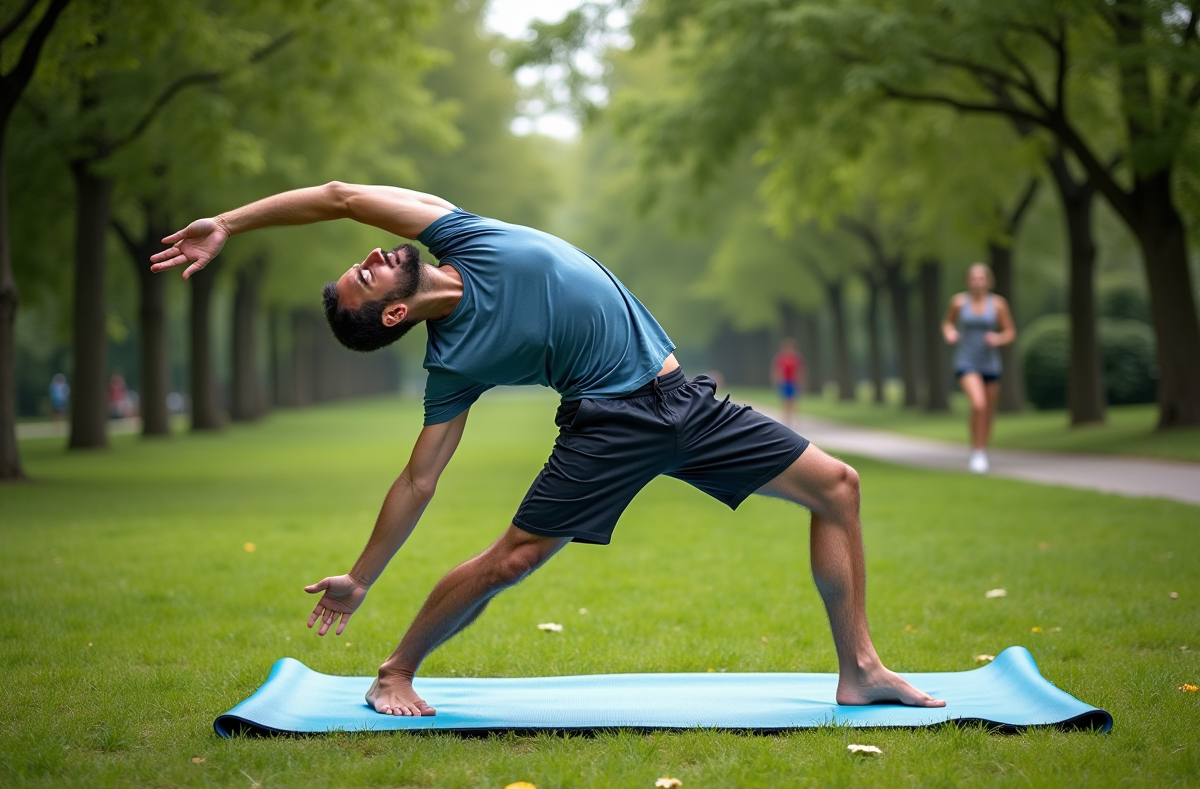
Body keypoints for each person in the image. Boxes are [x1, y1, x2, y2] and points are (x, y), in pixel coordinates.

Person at [151, 182, 944, 716]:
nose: (369, 258)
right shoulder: (452, 361)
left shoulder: (457, 232)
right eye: (363, 279)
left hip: (682, 400)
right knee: (512, 561)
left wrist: (232, 222)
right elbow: (420, 479)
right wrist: (359, 577)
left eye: (361, 263)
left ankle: (860, 669)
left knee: (837, 486)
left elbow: (337, 197)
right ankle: (395, 670)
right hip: (609, 424)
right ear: (390, 317)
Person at [942, 263, 1016, 474]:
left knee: (988, 410)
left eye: (981, 278)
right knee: (978, 404)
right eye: (973, 278)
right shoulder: (958, 302)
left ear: (988, 281)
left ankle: (982, 450)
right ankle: (975, 451)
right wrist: (950, 333)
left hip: (990, 363)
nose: (977, 282)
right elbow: (947, 324)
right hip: (966, 361)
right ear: (968, 281)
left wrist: (998, 338)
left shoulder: (999, 304)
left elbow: (1010, 331)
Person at [772, 338, 806, 426]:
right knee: (785, 401)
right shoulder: (781, 357)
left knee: (793, 401)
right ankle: (786, 420)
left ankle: (794, 419)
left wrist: (800, 381)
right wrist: (777, 380)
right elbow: (777, 370)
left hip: (793, 382)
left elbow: (799, 370)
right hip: (784, 382)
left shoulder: (796, 358)